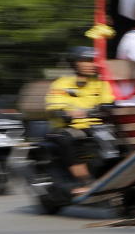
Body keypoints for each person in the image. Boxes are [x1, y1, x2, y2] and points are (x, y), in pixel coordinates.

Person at [42, 47, 116, 188]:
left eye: (93, 61)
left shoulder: (102, 83)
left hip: (96, 126)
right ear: (74, 63)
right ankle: (83, 180)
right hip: (68, 126)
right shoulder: (62, 83)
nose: (90, 64)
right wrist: (67, 112)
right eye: (85, 61)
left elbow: (108, 102)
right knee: (68, 139)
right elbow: (54, 105)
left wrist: (103, 109)